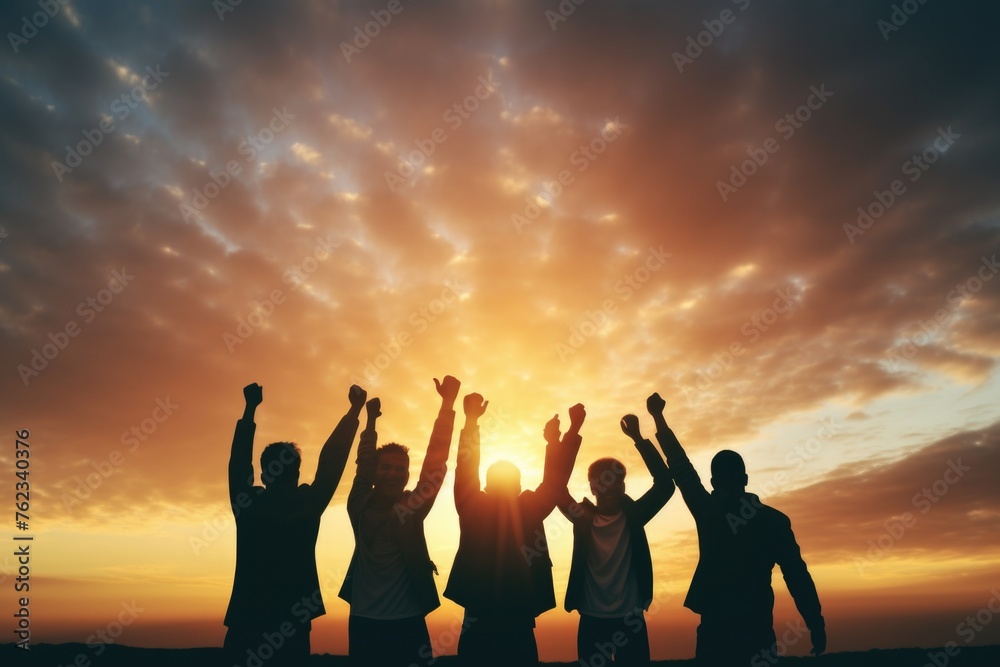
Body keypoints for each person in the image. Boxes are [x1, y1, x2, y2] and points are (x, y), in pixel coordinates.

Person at [646, 392, 826, 665]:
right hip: (756, 629)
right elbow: (797, 576)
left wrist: (658, 418)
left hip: (717, 631)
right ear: (745, 479)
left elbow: (681, 469)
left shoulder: (708, 512)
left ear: (714, 482)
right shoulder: (774, 521)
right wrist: (815, 621)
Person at [224, 382, 365, 667]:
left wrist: (250, 408)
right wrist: (353, 412)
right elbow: (331, 464)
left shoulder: (248, 505)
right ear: (298, 472)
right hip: (292, 625)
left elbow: (238, 464)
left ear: (263, 474)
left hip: (246, 620)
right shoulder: (308, 504)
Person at [444, 397, 585, 667]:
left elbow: (465, 468)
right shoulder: (525, 508)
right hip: (514, 619)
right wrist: (565, 435)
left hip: (486, 617)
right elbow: (555, 483)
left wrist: (472, 420)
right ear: (519, 488)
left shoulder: (473, 505)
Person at [339, 375, 461, 666]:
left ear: (407, 475)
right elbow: (364, 462)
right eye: (387, 468)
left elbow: (434, 463)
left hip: (408, 620)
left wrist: (447, 405)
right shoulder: (358, 504)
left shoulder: (412, 507)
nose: (393, 473)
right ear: (376, 474)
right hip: (363, 621)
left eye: (400, 469)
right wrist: (370, 421)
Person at [557, 413, 675, 667]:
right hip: (591, 619)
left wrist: (639, 439)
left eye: (617, 482)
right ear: (593, 487)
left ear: (623, 486)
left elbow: (666, 484)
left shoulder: (635, 515)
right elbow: (556, 488)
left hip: (630, 620)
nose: (611, 489)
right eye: (604, 483)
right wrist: (572, 431)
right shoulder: (582, 517)